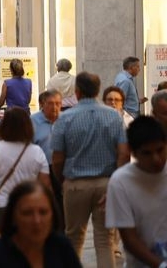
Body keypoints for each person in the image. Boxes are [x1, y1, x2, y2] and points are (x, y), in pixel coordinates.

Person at [51, 71, 130, 268]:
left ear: (77, 92)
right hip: (106, 183)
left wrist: (62, 180)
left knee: (73, 237)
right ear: (98, 90)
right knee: (105, 240)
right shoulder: (114, 116)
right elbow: (123, 153)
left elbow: (57, 158)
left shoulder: (64, 118)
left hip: (75, 183)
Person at [106, 115, 167, 268]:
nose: (156, 159)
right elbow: (130, 239)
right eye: (147, 153)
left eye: (160, 150)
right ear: (133, 153)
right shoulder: (120, 182)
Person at [0, 181, 81, 268]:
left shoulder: (62, 247)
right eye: (27, 213)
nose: (36, 221)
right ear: (13, 216)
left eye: (43, 212)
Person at [0, 107, 50, 228]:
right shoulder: (36, 151)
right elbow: (45, 183)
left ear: (4, 126)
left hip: (1, 205)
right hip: (28, 205)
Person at [31, 90, 64, 229]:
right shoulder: (33, 121)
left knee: (62, 202)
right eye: (51, 103)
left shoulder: (65, 119)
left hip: (62, 167)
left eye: (58, 103)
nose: (55, 107)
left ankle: (61, 229)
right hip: (41, 169)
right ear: (42, 104)